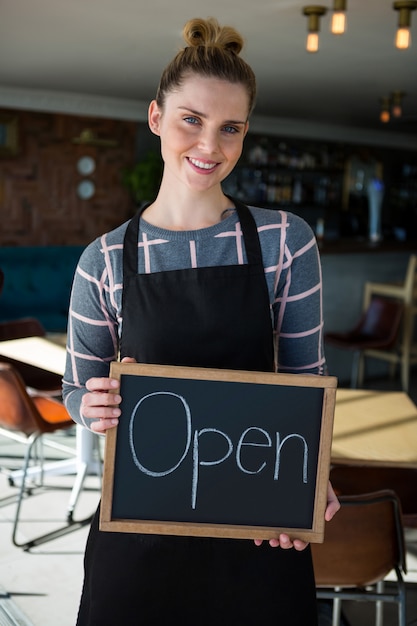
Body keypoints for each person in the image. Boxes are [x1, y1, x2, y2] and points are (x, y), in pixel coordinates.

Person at [63, 16, 340, 626]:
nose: (210, 147)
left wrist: (310, 481)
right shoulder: (103, 259)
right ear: (157, 117)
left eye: (230, 128)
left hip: (259, 531)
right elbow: (75, 390)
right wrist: (96, 405)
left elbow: (307, 380)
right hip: (140, 531)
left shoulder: (284, 242)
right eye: (192, 119)